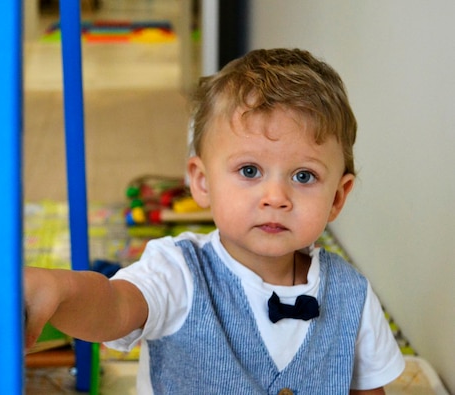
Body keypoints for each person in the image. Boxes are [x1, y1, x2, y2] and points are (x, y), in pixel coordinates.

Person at [24, 48, 405, 394]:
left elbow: (366, 390)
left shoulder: (352, 294)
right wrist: (61, 289)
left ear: (337, 197)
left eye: (303, 176)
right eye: (250, 170)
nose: (275, 197)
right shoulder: (177, 270)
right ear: (202, 183)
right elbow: (114, 307)